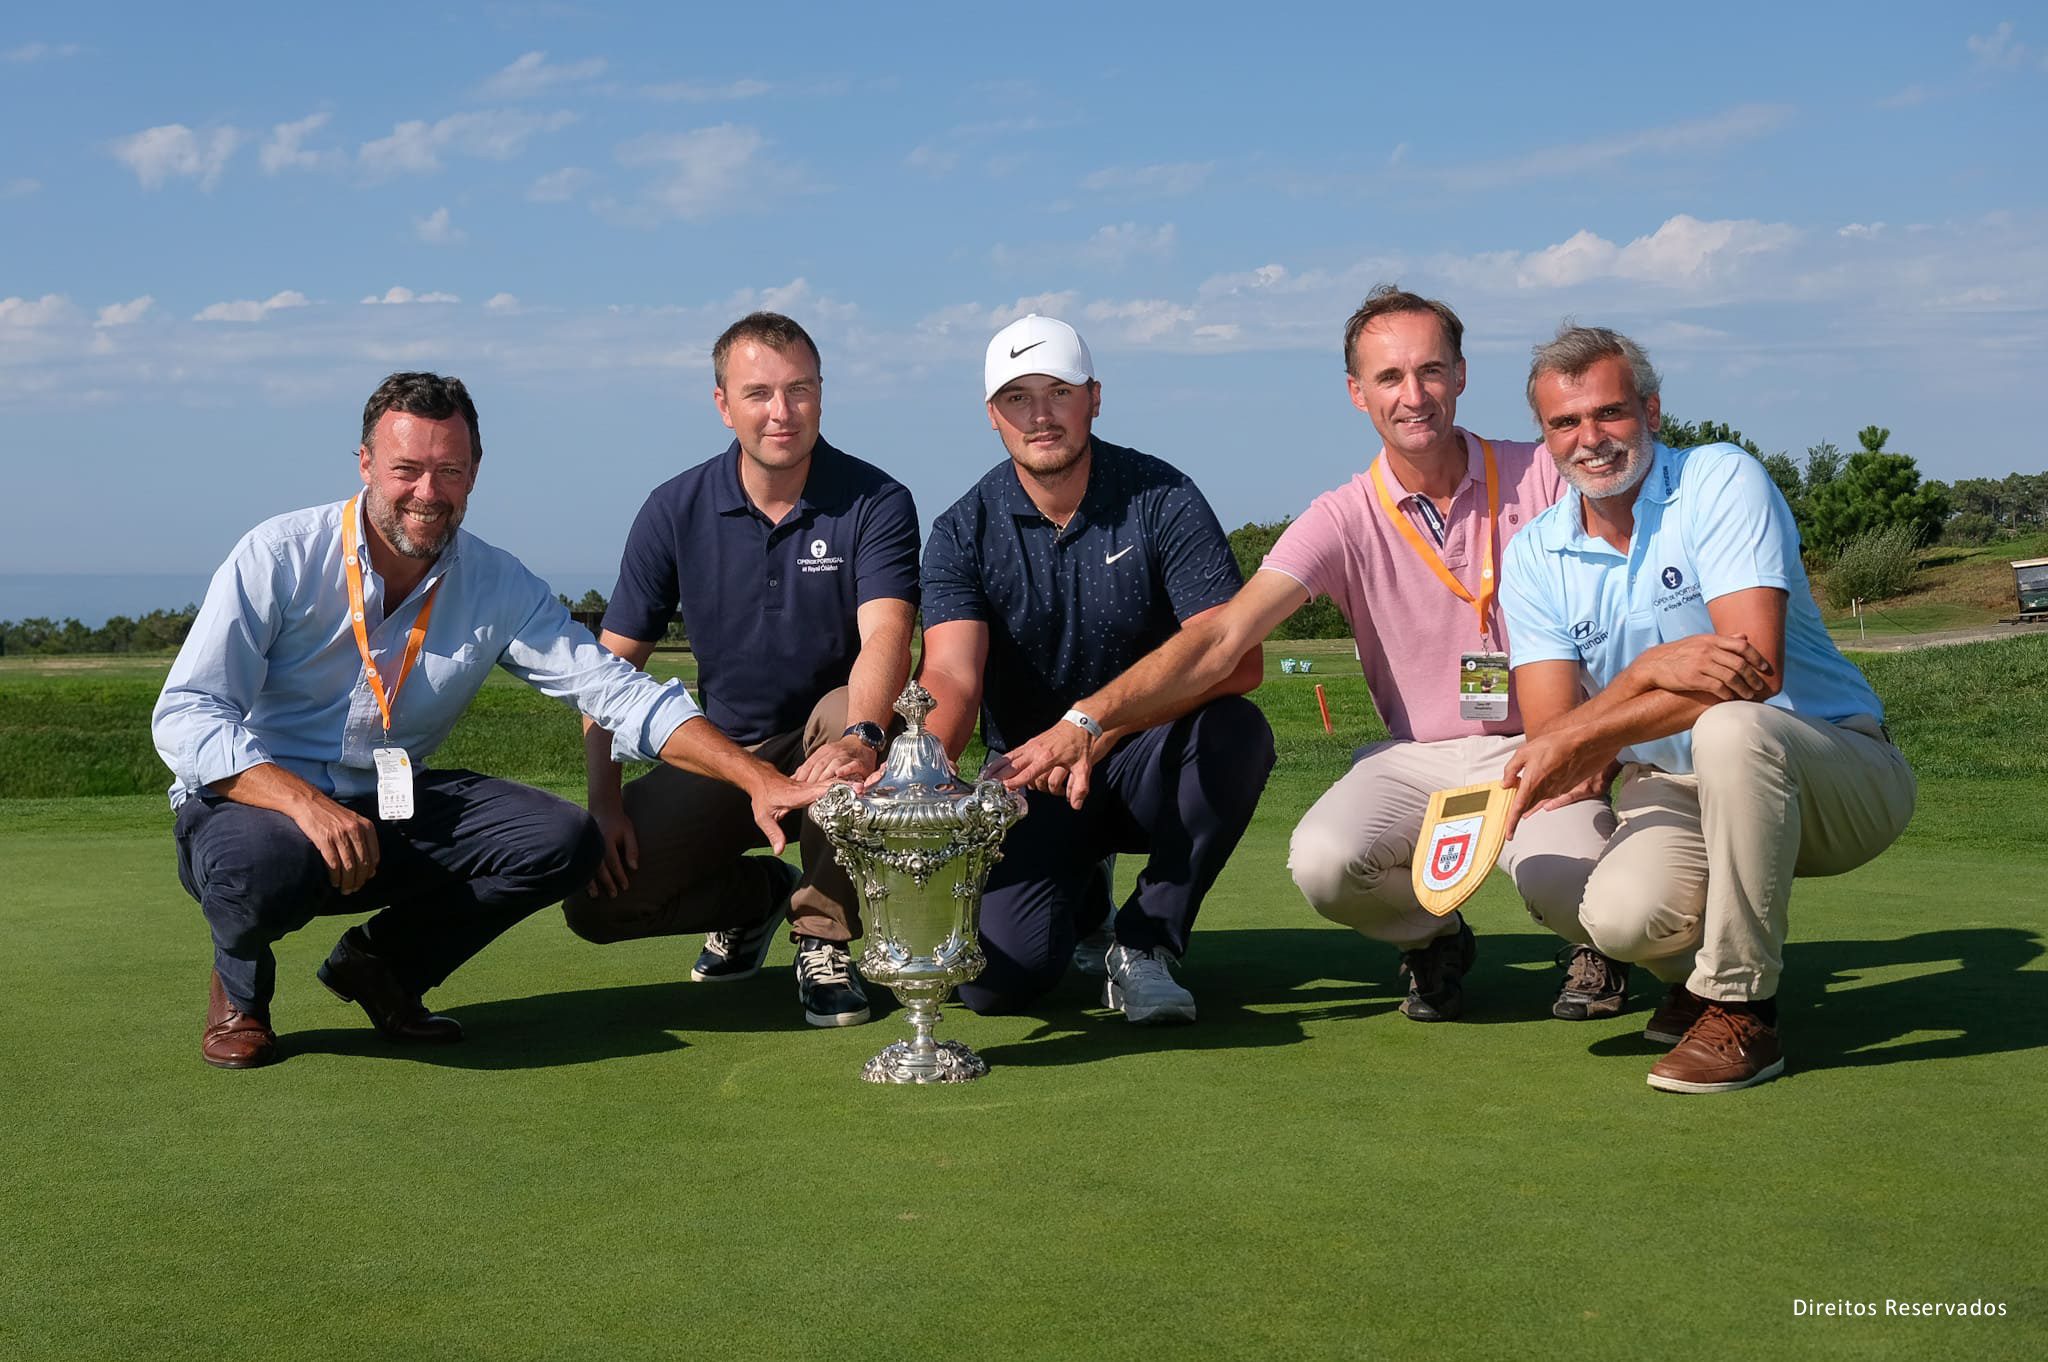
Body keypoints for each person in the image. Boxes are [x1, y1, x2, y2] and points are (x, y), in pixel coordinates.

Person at [153, 371, 826, 1070]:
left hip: (390, 801)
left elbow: (615, 692)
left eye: (449, 471)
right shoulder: (279, 554)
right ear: (365, 465)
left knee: (563, 840)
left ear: (474, 472)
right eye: (406, 470)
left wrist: (755, 778)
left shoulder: (496, 581)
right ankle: (240, 992)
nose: (427, 492)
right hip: (259, 804)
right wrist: (304, 805)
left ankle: (383, 967)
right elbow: (186, 714)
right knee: (254, 867)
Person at [993, 287, 1618, 1023]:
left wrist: (1598, 735)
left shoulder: (1544, 473)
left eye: (1431, 372)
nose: (1413, 396)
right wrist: (1090, 718)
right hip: (1417, 755)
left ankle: (1598, 944)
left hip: (1547, 740)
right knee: (1323, 863)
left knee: (1568, 884)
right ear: (1358, 394)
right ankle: (1435, 937)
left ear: (1462, 375)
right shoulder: (1342, 515)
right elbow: (1224, 637)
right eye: (1389, 378)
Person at [1499, 324, 1916, 1093]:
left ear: (1652, 412)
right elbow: (1556, 735)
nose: (1591, 439)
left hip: (1835, 764)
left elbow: (1752, 675)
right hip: (1675, 787)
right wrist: (1649, 673)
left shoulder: (1720, 478)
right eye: (1566, 422)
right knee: (1622, 919)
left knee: (1730, 727)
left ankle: (1742, 1010)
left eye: (1611, 413)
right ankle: (1690, 977)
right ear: (1546, 437)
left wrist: (1601, 727)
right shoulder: (1532, 555)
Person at [560, 312, 919, 1028]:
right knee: (598, 903)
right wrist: (603, 802)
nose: (781, 413)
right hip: (726, 748)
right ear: (723, 405)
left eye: (799, 390)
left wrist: (867, 735)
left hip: (836, 729)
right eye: (758, 393)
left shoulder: (878, 500)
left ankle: (824, 940)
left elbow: (887, 637)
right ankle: (757, 898)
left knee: (848, 708)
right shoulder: (674, 508)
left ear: (822, 394)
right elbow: (609, 671)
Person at [918, 314, 1275, 1023]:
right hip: (1032, 773)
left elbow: (1233, 655)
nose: (1040, 415)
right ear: (993, 416)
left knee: (1237, 732)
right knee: (995, 989)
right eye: (1018, 398)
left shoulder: (1161, 496)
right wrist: (922, 770)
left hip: (1151, 755)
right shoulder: (962, 529)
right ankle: (1083, 898)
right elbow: (953, 675)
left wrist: (1097, 723)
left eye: (1059, 391)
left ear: (1095, 397)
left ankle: (1145, 943)